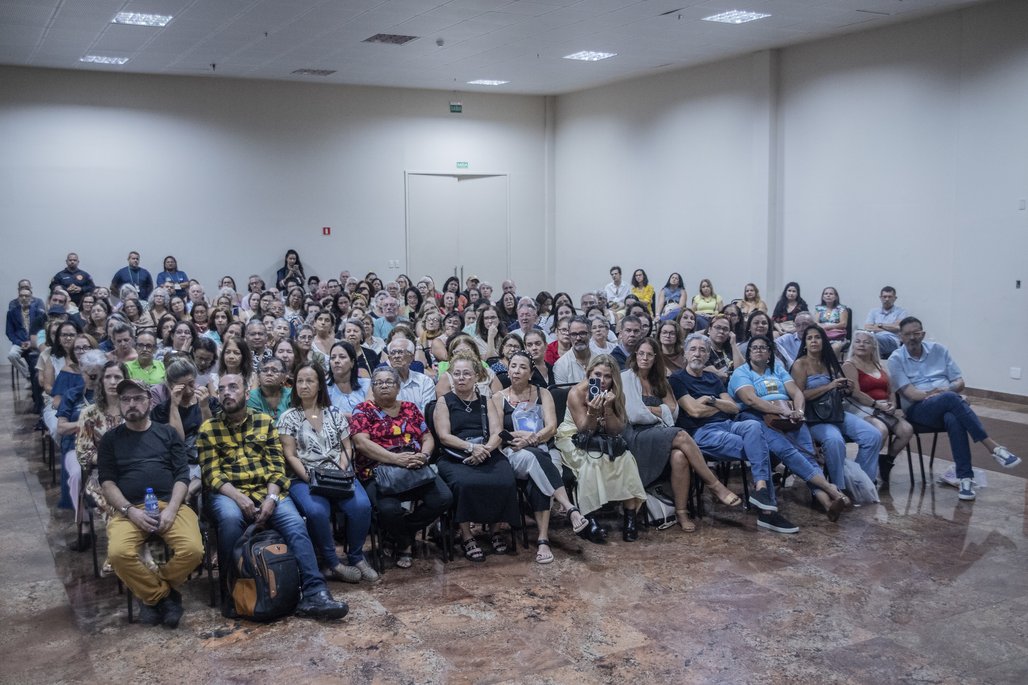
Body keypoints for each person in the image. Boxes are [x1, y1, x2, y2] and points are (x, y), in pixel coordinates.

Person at [198, 373, 349, 620]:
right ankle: (233, 596)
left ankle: (315, 592)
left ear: (246, 393)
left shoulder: (265, 422)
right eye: (222, 389)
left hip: (266, 490)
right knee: (229, 519)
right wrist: (239, 498)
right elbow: (211, 473)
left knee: (294, 524)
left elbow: (277, 467)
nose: (226, 392)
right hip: (229, 493)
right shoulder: (209, 428)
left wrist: (270, 498)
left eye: (233, 387)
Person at [99, 378, 203, 628]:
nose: (131, 404)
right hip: (130, 510)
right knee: (118, 553)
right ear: (120, 403)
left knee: (193, 550)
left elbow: (182, 475)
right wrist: (129, 511)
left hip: (171, 505)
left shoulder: (167, 433)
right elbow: (107, 483)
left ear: (149, 401)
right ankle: (163, 596)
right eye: (126, 399)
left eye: (138, 398)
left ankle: (152, 592)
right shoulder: (110, 440)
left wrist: (173, 509)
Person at [671, 333, 801, 533]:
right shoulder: (678, 379)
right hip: (701, 432)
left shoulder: (712, 378)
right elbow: (694, 411)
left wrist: (711, 400)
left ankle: (761, 489)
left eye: (703, 350)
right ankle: (768, 512)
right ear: (685, 354)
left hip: (728, 424)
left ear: (708, 356)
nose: (698, 353)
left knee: (753, 426)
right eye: (693, 349)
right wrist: (721, 405)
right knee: (760, 447)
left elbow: (734, 408)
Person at [888, 317, 1020, 501]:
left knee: (954, 418)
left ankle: (965, 478)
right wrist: (945, 395)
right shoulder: (896, 359)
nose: (912, 338)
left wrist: (946, 392)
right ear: (900, 337)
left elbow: (959, 382)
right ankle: (993, 447)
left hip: (945, 405)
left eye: (916, 333)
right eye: (907, 334)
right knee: (951, 399)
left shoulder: (939, 350)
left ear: (923, 334)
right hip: (919, 411)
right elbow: (912, 395)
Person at [621, 338, 743, 532]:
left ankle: (681, 512)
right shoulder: (625, 378)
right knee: (682, 435)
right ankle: (715, 485)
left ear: (655, 358)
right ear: (635, 355)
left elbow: (673, 410)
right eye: (640, 353)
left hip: (660, 432)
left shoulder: (659, 380)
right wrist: (659, 410)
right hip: (635, 435)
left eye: (649, 354)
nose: (644, 358)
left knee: (679, 456)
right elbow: (633, 414)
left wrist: (650, 410)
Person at [728, 335, 851, 520]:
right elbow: (750, 399)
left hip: (788, 415)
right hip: (757, 417)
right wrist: (781, 411)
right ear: (749, 353)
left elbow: (796, 392)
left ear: (770, 353)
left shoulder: (777, 369)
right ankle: (831, 489)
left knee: (808, 453)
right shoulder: (741, 372)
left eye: (763, 347)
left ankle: (827, 503)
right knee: (787, 451)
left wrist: (799, 411)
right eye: (754, 347)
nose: (759, 350)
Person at [279, 363, 378, 583]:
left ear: (320, 385)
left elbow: (347, 447)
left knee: (361, 506)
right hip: (303, 477)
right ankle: (333, 563)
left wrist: (341, 469)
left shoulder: (334, 413)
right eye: (300, 381)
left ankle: (356, 556)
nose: (304, 385)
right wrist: (309, 477)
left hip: (338, 474)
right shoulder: (288, 417)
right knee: (316, 511)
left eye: (310, 381)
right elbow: (291, 455)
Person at [349, 367, 453, 569]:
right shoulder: (363, 410)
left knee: (443, 498)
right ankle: (405, 541)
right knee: (389, 510)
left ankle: (397, 534)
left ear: (398, 387)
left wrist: (423, 456)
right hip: (378, 470)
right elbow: (361, 443)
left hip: (414, 466)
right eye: (379, 382)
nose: (385, 385)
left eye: (390, 381)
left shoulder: (410, 408)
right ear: (372, 388)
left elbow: (427, 437)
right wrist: (395, 459)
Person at [492, 351, 588, 562]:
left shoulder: (544, 393)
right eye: (513, 366)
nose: (516, 371)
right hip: (513, 451)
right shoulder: (498, 398)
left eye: (522, 367)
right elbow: (499, 431)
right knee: (534, 459)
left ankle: (543, 541)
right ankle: (569, 507)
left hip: (542, 447)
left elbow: (552, 427)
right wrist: (524, 440)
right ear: (507, 370)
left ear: (531, 372)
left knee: (538, 472)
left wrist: (532, 438)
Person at [433, 354, 522, 562]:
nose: (461, 378)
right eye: (457, 374)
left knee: (504, 478)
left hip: (486, 449)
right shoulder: (444, 402)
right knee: (464, 483)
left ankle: (495, 530)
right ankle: (467, 535)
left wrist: (486, 450)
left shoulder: (485, 401)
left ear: (475, 377)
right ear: (451, 377)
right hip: (456, 453)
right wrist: (471, 447)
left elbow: (497, 431)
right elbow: (444, 437)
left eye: (466, 374)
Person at [554, 355, 647, 542]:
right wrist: (593, 411)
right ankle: (590, 517)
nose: (602, 381)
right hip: (574, 435)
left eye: (607, 376)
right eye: (597, 375)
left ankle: (630, 517)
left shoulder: (616, 393)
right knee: (590, 463)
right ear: (589, 374)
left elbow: (615, 431)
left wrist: (609, 408)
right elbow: (584, 429)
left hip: (603, 437)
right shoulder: (577, 392)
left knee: (625, 458)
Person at [790, 325, 882, 492]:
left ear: (823, 341)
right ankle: (838, 489)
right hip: (814, 417)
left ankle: (860, 483)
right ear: (804, 343)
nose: (813, 341)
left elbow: (841, 390)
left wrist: (846, 388)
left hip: (836, 412)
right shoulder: (800, 364)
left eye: (817, 337)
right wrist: (829, 386)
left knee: (873, 436)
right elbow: (799, 395)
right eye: (809, 338)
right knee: (834, 440)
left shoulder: (829, 361)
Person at [842, 329, 914, 487]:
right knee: (880, 430)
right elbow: (855, 393)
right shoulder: (849, 365)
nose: (861, 345)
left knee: (907, 430)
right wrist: (877, 404)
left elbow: (890, 389)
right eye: (858, 341)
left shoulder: (879, 364)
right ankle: (862, 471)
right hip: (860, 407)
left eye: (866, 342)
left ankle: (887, 460)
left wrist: (893, 404)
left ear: (873, 347)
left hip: (882, 407)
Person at [151, 358, 217, 499]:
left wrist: (204, 407)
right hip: (178, 460)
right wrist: (174, 406)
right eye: (181, 386)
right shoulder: (161, 410)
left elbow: (212, 436)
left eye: (191, 384)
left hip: (206, 456)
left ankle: (190, 491)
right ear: (170, 385)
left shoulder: (209, 402)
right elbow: (177, 441)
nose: (188, 391)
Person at [6, 285, 47, 410]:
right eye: (21, 296)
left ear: (31, 297)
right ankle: (28, 376)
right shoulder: (12, 313)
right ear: (18, 297)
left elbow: (41, 330)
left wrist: (31, 342)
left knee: (38, 358)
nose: (24, 298)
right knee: (11, 355)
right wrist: (19, 342)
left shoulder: (39, 312)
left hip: (33, 342)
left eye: (27, 296)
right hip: (19, 342)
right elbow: (9, 332)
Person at [385, 338, 435, 411]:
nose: (396, 356)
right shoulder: (382, 383)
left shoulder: (425, 381)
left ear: (411, 357)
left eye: (400, 352)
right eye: (393, 353)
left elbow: (427, 413)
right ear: (389, 358)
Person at [327, 341, 370, 418]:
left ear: (352, 362)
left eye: (342, 357)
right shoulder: (324, 388)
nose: (336, 361)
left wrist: (338, 416)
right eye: (333, 357)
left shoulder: (367, 385)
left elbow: (370, 415)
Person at [864, 286, 907, 358]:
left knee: (871, 340)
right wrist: (890, 328)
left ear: (895, 298)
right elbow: (867, 327)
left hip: (892, 340)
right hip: (874, 337)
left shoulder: (901, 312)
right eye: (884, 296)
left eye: (890, 297)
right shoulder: (873, 311)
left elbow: (898, 328)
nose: (887, 299)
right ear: (880, 298)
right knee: (861, 339)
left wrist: (880, 325)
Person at [247, 356, 292, 420]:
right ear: (258, 376)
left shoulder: (291, 395)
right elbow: (257, 423)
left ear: (284, 377)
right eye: (265, 370)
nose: (269, 373)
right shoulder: (252, 396)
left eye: (274, 370)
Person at [552, 315, 592, 385]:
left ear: (590, 334)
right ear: (569, 336)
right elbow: (563, 395)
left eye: (582, 333)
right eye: (574, 334)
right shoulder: (561, 365)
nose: (578, 338)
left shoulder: (599, 359)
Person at [814, 286, 849, 357]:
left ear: (836, 297)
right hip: (822, 335)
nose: (828, 295)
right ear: (823, 297)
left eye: (831, 294)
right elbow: (815, 323)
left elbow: (843, 324)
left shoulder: (841, 308)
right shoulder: (819, 308)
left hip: (837, 337)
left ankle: (832, 366)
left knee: (835, 347)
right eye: (826, 294)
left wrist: (828, 327)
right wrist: (823, 327)